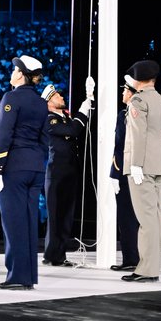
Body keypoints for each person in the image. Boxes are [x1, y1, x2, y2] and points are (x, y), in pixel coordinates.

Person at [0, 54, 49, 290]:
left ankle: (16, 276)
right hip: (35, 167)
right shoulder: (41, 102)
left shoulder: (11, 98)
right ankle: (29, 276)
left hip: (13, 167)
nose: (11, 73)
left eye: (14, 70)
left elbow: (3, 134)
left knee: (13, 222)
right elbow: (45, 139)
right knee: (28, 222)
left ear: (20, 74)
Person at [120, 59, 161, 284]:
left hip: (141, 167)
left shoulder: (138, 101)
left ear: (138, 79)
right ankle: (151, 267)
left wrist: (135, 164)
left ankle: (147, 270)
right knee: (156, 218)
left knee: (146, 219)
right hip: (158, 166)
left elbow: (137, 135)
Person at [40, 74, 94, 266]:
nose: (61, 97)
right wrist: (82, 112)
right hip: (57, 173)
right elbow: (72, 131)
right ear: (49, 103)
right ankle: (51, 255)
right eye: (56, 96)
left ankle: (59, 255)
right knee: (56, 216)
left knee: (66, 216)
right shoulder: (50, 120)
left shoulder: (64, 118)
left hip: (69, 171)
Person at [109, 75, 140, 271]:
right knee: (128, 218)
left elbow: (121, 146)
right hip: (128, 171)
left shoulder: (130, 115)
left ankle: (133, 259)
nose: (123, 93)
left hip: (129, 171)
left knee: (129, 217)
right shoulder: (124, 114)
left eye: (125, 90)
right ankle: (131, 259)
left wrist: (115, 172)